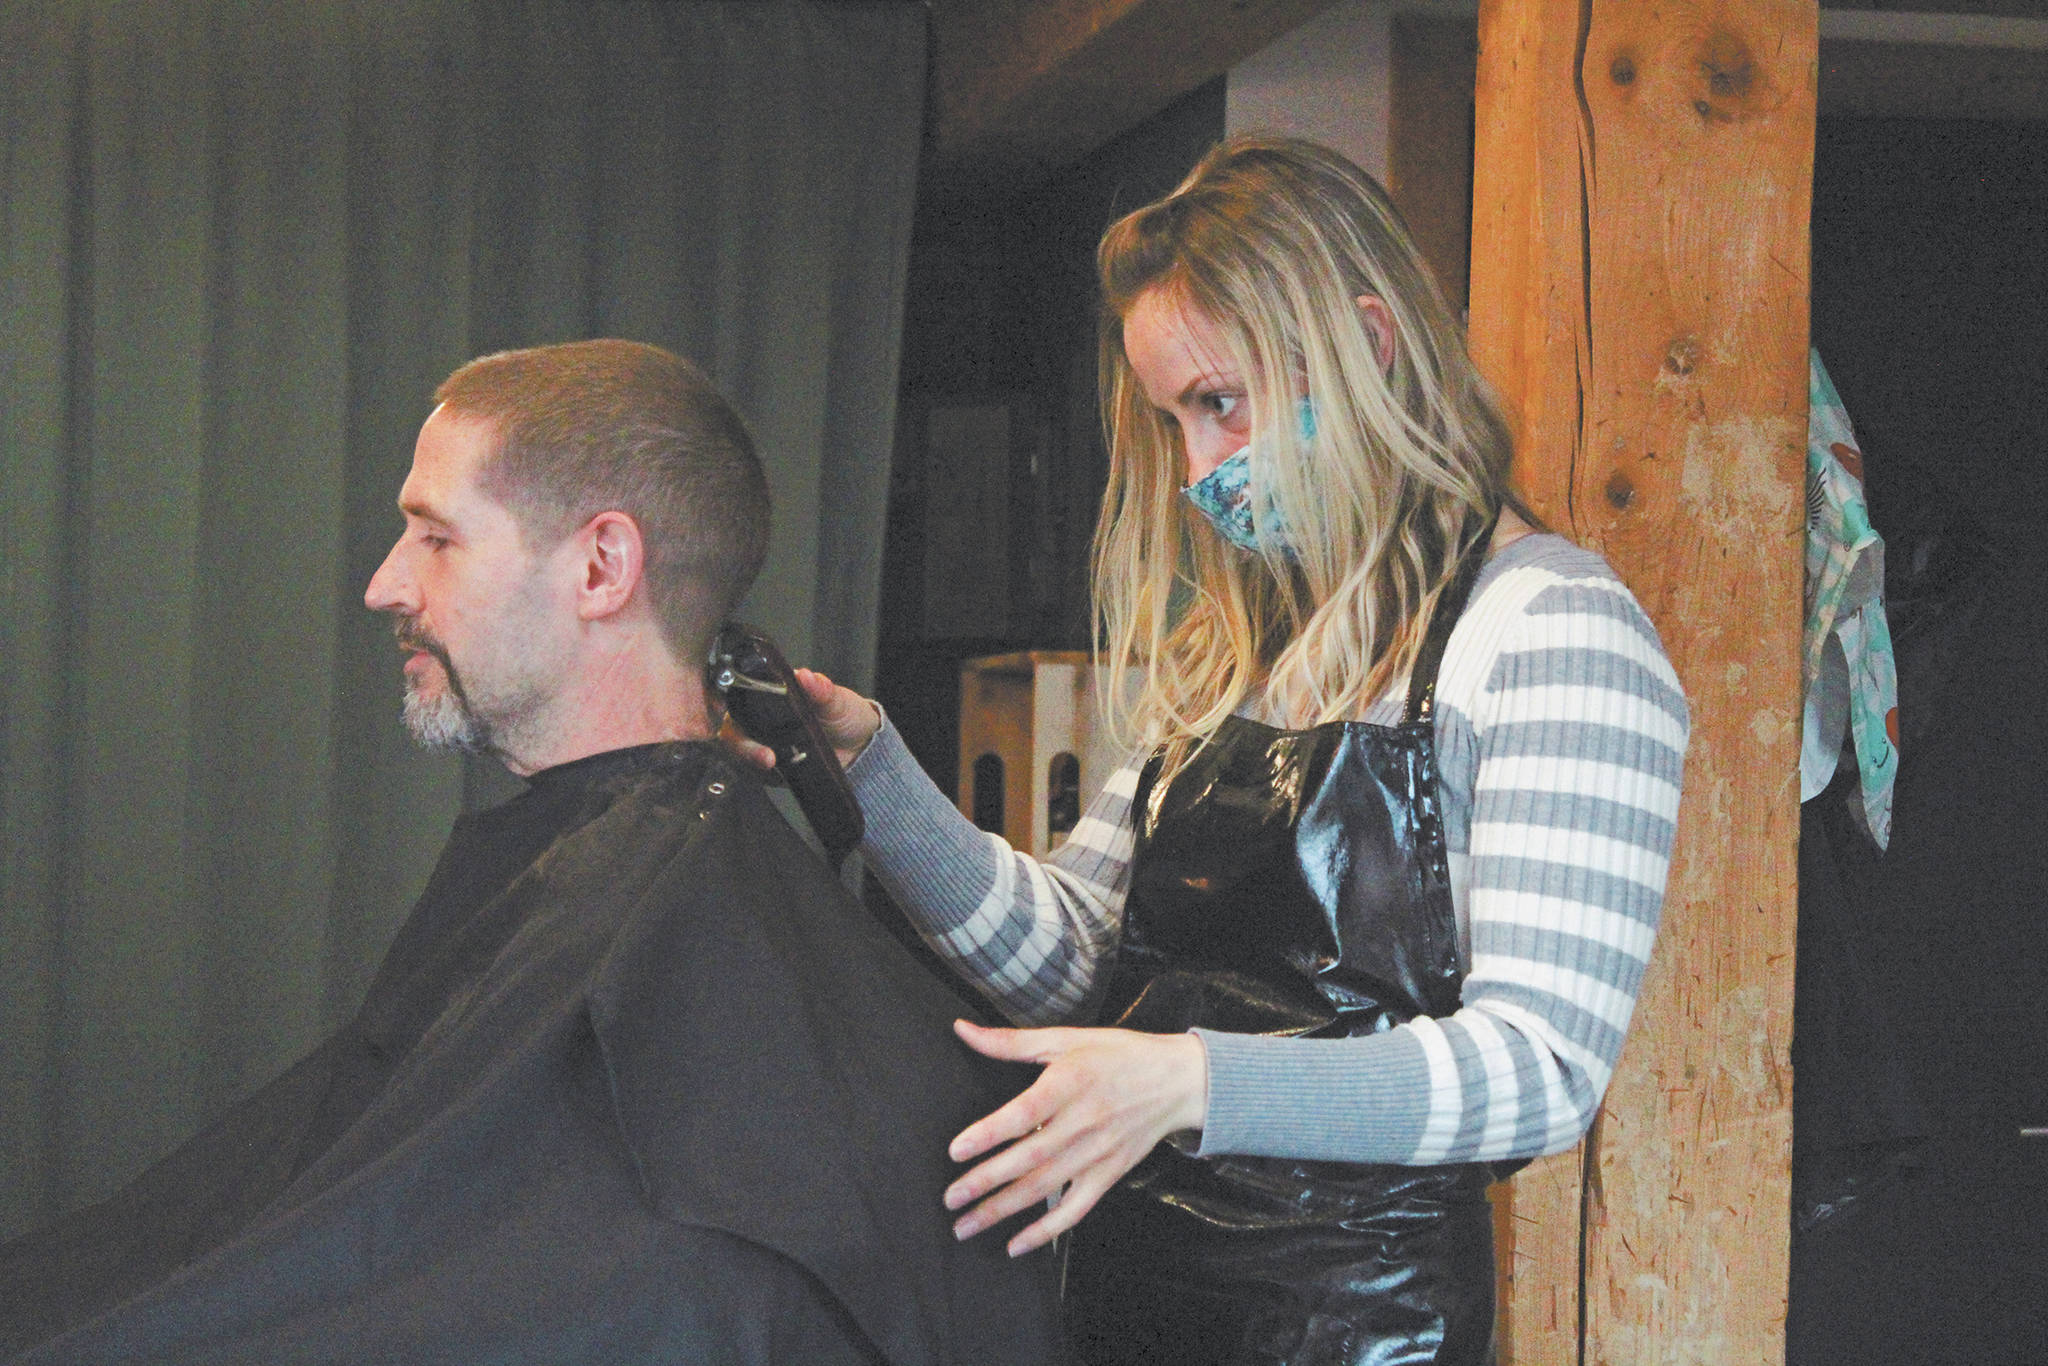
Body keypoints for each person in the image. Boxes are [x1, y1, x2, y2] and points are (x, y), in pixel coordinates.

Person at [765, 138, 1691, 1364]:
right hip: (1135, 1309)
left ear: (1367, 343)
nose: (1198, 470)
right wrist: (867, 770)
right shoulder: (1239, 656)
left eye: (1220, 403)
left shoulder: (1549, 632)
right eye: (1172, 419)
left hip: (1363, 1334)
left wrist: (1191, 1082)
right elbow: (1075, 969)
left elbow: (1540, 1068)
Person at [0, 340, 1059, 1365]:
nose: (383, 585)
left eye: (435, 538)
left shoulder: (694, 931)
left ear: (601, 565)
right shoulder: (622, 873)